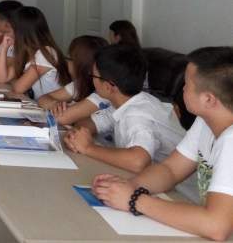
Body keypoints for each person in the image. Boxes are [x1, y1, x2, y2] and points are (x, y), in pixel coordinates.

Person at [92, 47, 233, 241]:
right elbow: (170, 170)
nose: (182, 89)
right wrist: (128, 186)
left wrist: (135, 200)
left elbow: (216, 226)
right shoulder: (206, 122)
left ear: (208, 99)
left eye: (187, 84)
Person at [64, 44, 186, 173]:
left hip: (175, 184)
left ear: (109, 86)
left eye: (93, 76)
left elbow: (138, 161)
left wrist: (88, 148)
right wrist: (77, 136)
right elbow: (90, 123)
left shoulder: (137, 115)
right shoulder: (124, 102)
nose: (92, 80)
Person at [0, 6, 70, 99]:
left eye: (11, 28)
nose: (7, 31)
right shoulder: (26, 51)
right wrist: (4, 49)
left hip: (49, 107)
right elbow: (1, 79)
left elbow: (19, 88)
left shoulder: (46, 52)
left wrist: (14, 80)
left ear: (22, 31)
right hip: (36, 104)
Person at [37, 35, 110, 125]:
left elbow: (62, 118)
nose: (66, 62)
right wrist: (54, 104)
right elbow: (42, 98)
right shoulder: (80, 84)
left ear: (81, 65)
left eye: (69, 58)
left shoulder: (103, 93)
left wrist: (58, 109)